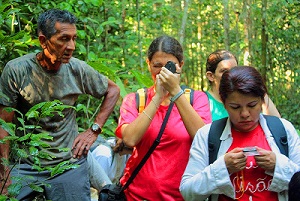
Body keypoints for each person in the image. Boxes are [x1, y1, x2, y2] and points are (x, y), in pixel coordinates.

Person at [0, 9, 120, 200]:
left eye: (73, 38)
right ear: (43, 41)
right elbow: (3, 124)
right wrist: (3, 169)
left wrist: (93, 130)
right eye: (64, 39)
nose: (71, 46)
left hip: (67, 163)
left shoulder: (77, 69)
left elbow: (112, 90)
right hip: (26, 163)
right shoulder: (17, 70)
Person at [180, 66, 300, 201]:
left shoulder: (283, 129)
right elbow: (187, 192)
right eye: (235, 107)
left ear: (262, 101)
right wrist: (222, 167)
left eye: (252, 105)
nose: (244, 114)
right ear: (224, 104)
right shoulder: (207, 135)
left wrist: (277, 165)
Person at [115, 35, 212, 200]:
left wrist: (175, 92)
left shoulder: (196, 99)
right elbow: (130, 139)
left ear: (180, 66)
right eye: (156, 66)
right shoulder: (135, 99)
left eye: (169, 66)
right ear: (148, 65)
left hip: (182, 196)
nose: (162, 72)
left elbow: (203, 139)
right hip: (137, 196)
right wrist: (157, 97)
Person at [205, 49, 281, 121]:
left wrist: (257, 87)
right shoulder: (202, 101)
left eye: (234, 70)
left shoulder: (246, 95)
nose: (230, 74)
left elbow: (276, 121)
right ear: (211, 76)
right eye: (224, 71)